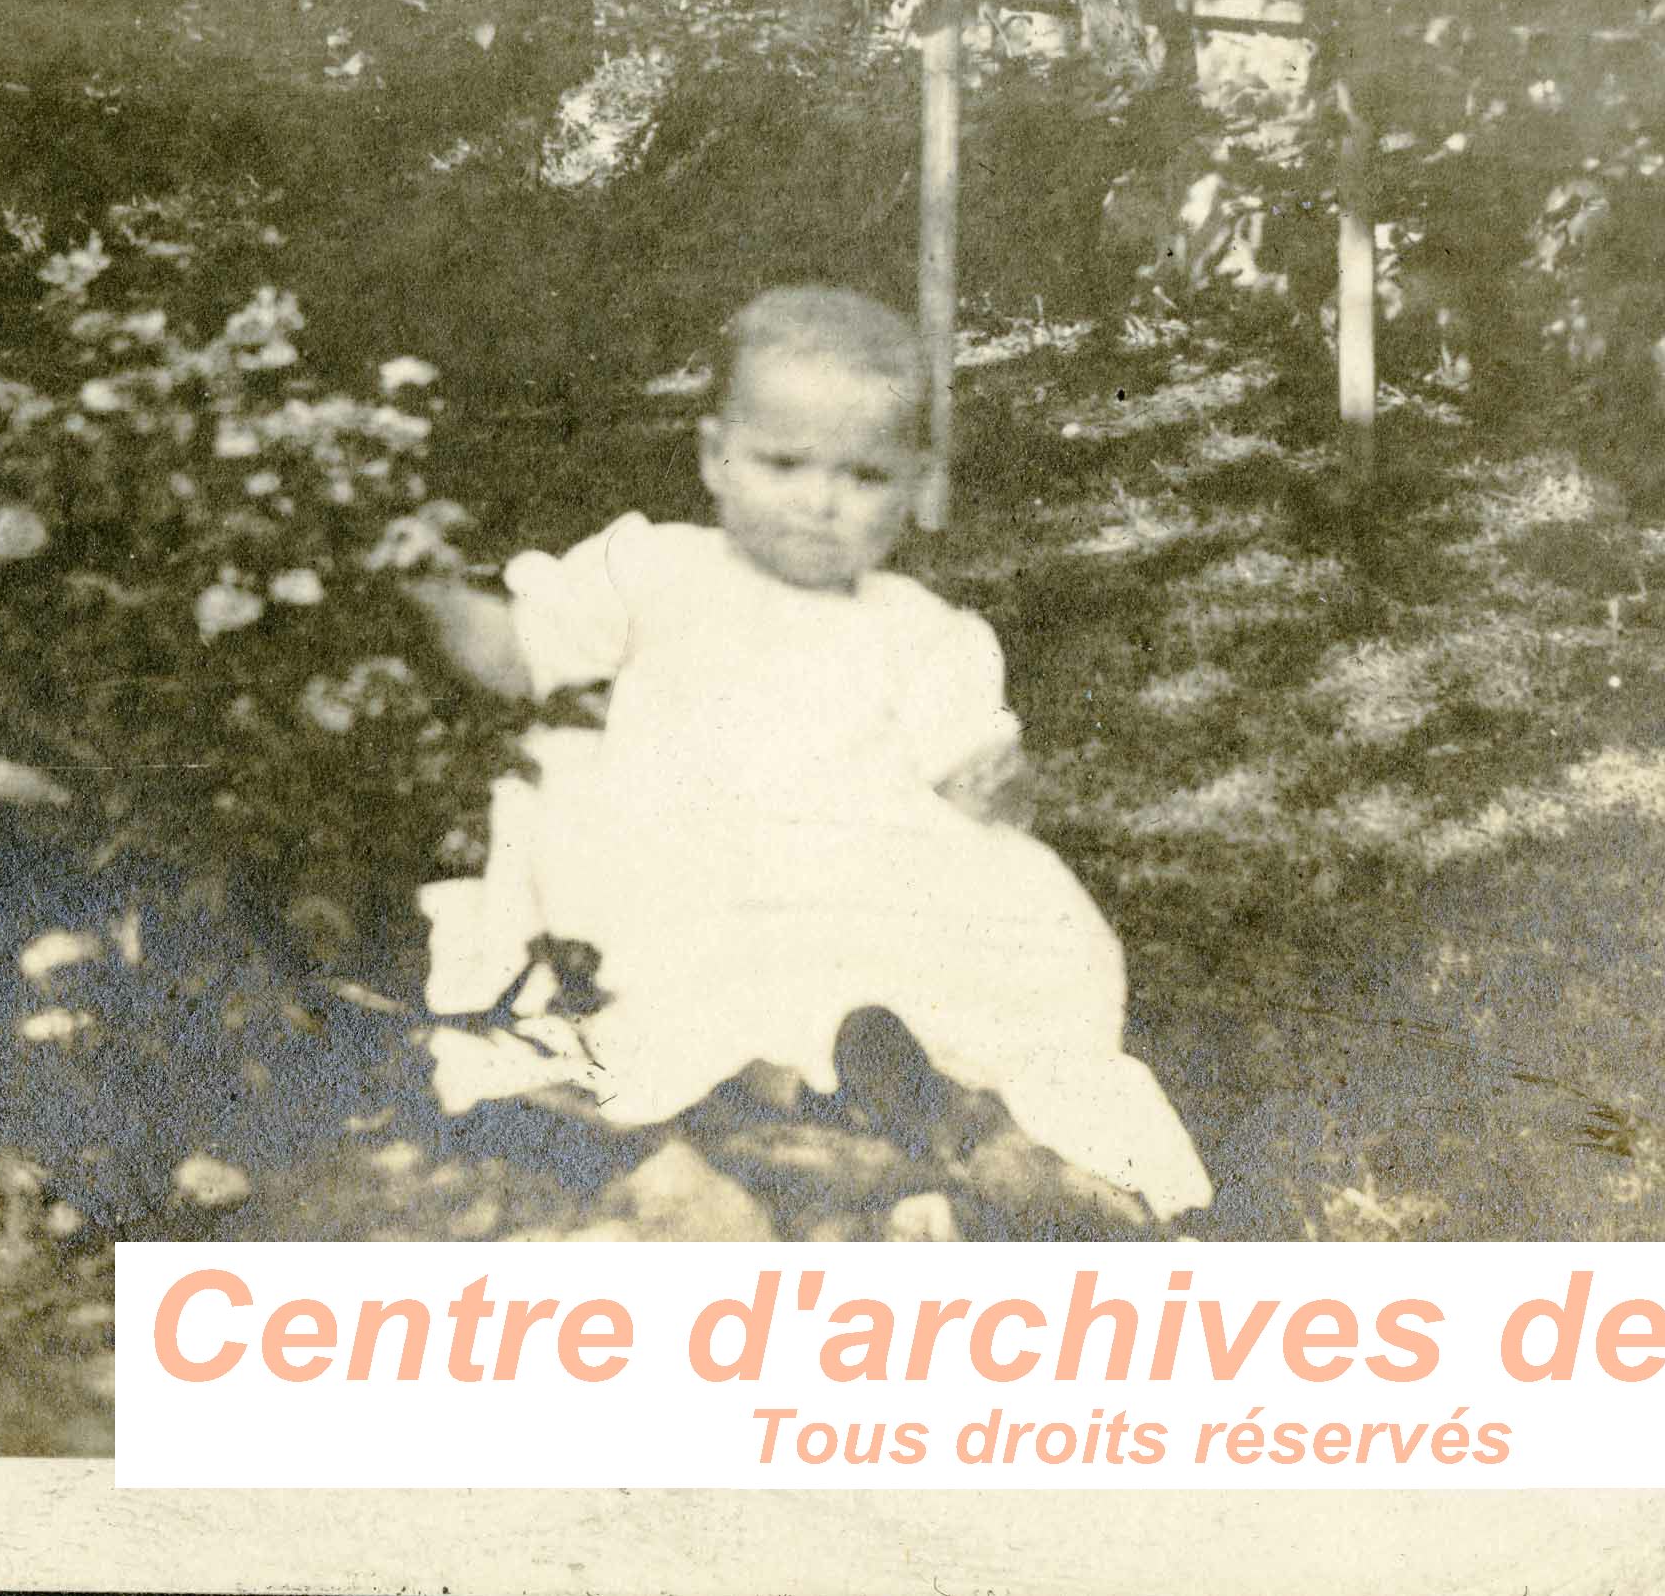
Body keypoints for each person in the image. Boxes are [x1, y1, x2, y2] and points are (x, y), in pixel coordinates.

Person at [408, 286, 1214, 1223]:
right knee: (713, 968)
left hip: (857, 882)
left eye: (865, 476)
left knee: (985, 947)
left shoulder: (919, 631)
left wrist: (997, 801)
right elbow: (515, 655)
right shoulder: (660, 571)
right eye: (783, 463)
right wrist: (418, 581)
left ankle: (989, 1135)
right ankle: (867, 1121)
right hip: (698, 869)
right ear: (715, 458)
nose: (820, 502)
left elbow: (980, 800)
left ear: (914, 481)